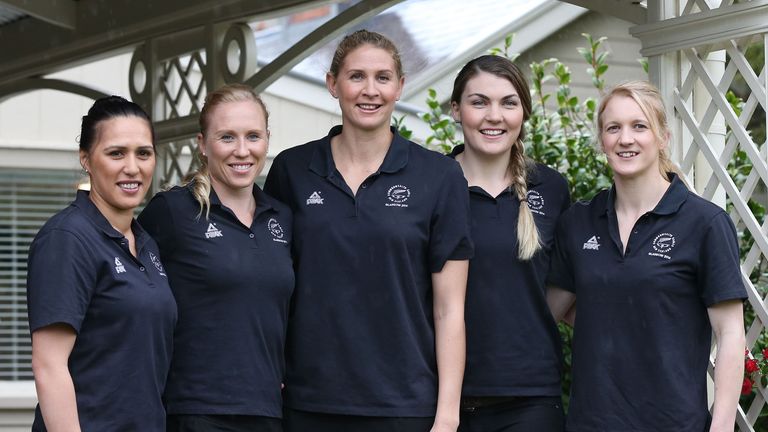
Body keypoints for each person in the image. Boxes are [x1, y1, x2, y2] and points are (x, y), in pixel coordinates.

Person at [264, 30, 473, 432]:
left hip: (404, 404)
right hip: (309, 402)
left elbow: (449, 309)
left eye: (383, 77)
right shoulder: (291, 171)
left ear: (400, 87)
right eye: (356, 76)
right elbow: (272, 288)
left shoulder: (440, 176)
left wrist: (447, 415)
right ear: (332, 84)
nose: (370, 90)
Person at [546, 80, 746, 431]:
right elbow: (554, 307)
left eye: (639, 126)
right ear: (602, 140)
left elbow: (730, 332)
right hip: (592, 423)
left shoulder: (704, 224)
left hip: (673, 422)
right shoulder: (578, 222)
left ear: (663, 137)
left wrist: (722, 425)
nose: (626, 139)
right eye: (613, 128)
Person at [138, 84, 293, 432]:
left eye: (253, 136)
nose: (242, 151)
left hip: (268, 410)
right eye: (227, 137)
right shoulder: (173, 212)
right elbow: (131, 297)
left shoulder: (281, 217)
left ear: (267, 139)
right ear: (202, 144)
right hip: (197, 410)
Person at [27, 96, 177, 431]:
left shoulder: (147, 244)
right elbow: (49, 365)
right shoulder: (68, 238)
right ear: (86, 159)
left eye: (143, 153)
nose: (132, 167)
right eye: (116, 153)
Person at [447, 55, 570, 432]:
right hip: (438, 398)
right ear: (456, 110)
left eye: (508, 103)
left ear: (524, 113)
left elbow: (564, 287)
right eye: (479, 101)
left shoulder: (550, 188)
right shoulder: (431, 185)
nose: (494, 116)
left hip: (530, 399)